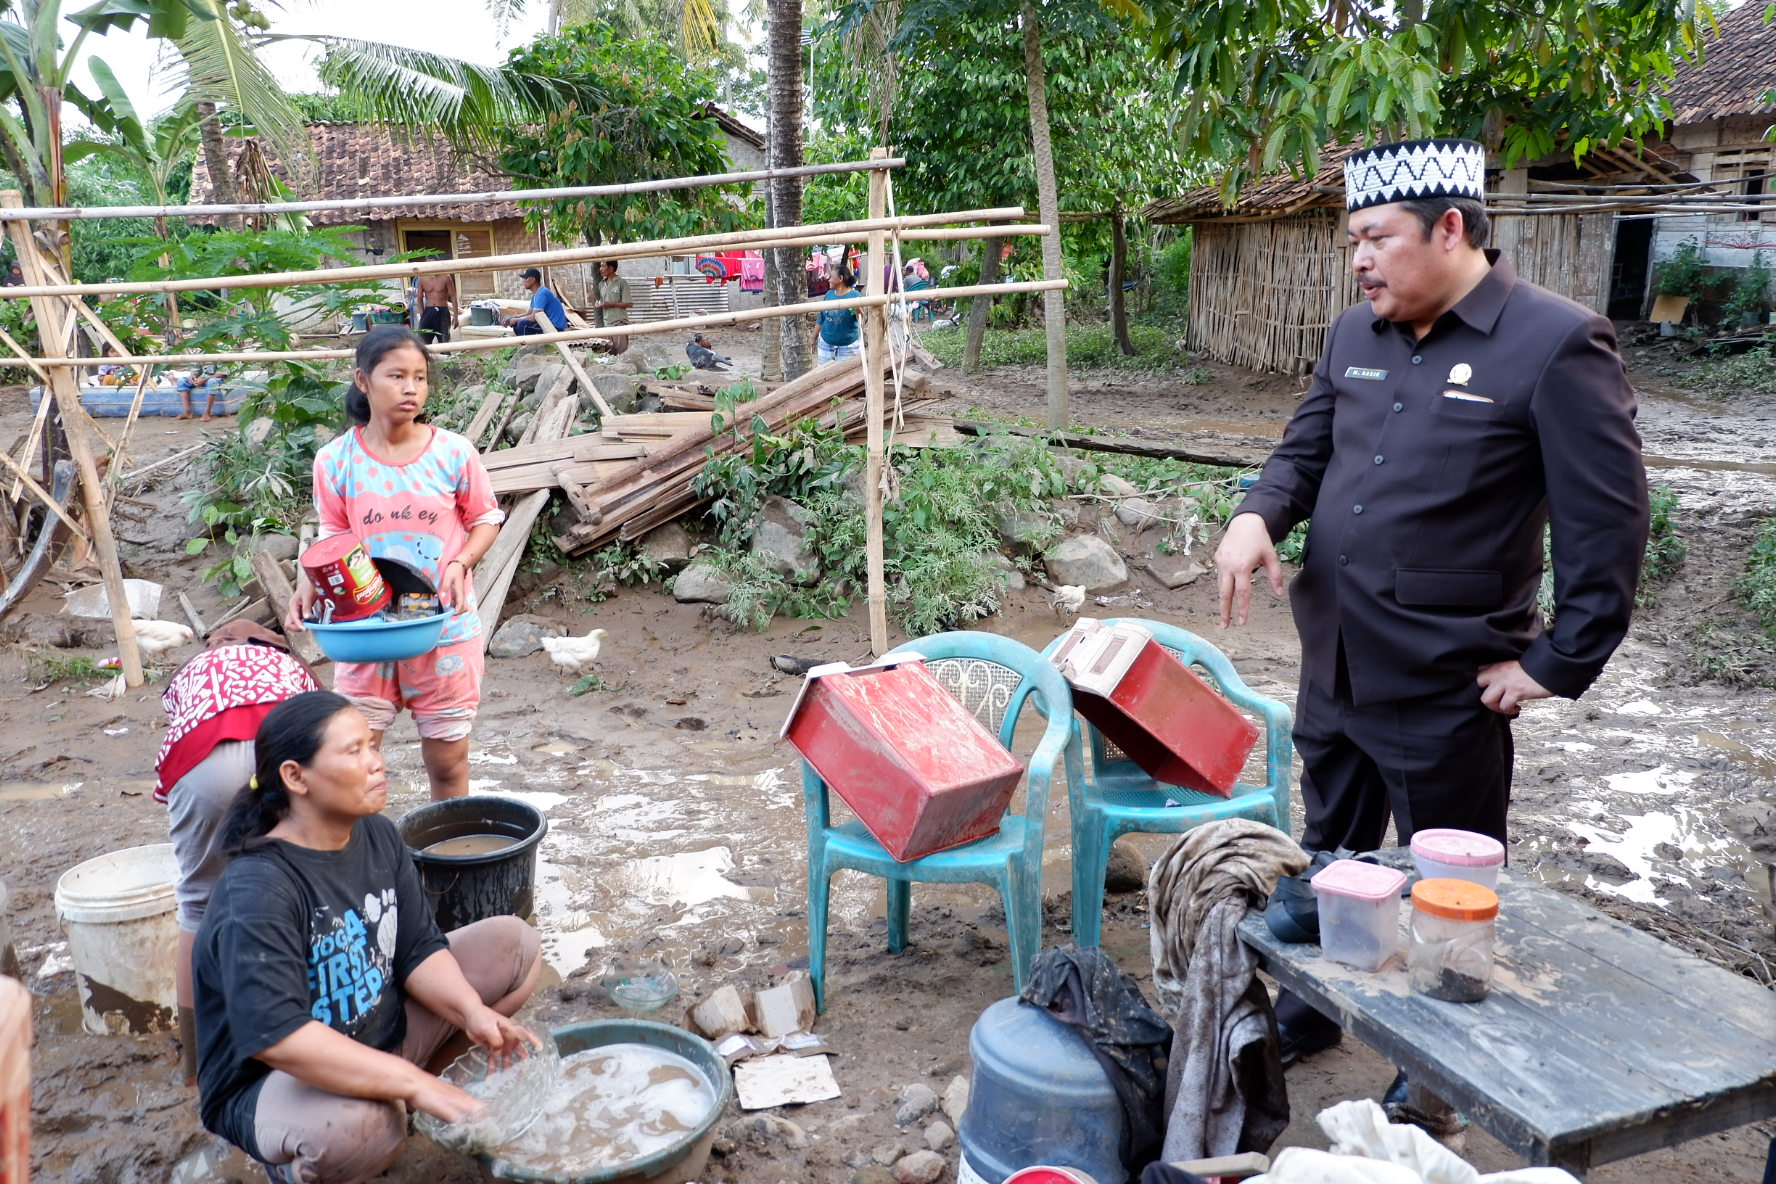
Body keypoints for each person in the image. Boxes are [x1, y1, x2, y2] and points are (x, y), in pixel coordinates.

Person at [1213, 138, 1648, 1073]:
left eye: (1377, 238)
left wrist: (1555, 663)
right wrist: (1257, 516)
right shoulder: (1353, 335)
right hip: (1335, 659)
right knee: (1331, 853)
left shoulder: (1554, 343)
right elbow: (1305, 450)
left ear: (1450, 229)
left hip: (1447, 682)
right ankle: (1317, 1008)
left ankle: (1438, 1068)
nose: (1360, 260)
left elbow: (1605, 526)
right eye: (1352, 243)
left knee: (1449, 881)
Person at [194, 691, 543, 1184]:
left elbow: (419, 948)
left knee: (515, 944)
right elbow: (281, 1038)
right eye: (354, 751)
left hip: (379, 1034)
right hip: (275, 1079)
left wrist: (472, 1012)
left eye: (372, 746)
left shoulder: (378, 835)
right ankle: (303, 1161)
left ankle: (410, 1104)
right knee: (363, 1131)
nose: (377, 764)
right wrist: (416, 1083)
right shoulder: (258, 888)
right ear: (296, 777)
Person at [284, 327, 504, 801]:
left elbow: (486, 518)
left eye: (420, 378)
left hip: (443, 630)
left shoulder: (452, 452)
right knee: (352, 762)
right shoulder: (335, 460)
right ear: (362, 381)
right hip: (366, 629)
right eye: (397, 376)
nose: (411, 389)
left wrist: (461, 563)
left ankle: (451, 865)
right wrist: (308, 581)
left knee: (447, 763)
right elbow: (333, 533)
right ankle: (360, 867)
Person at [157, 620, 320, 1084]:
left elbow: (180, 729)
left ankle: (196, 1065)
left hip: (203, 757)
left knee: (198, 904)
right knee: (301, 886)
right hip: (283, 755)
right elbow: (318, 724)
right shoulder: (293, 667)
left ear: (217, 644)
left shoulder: (194, 668)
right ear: (274, 647)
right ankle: (306, 1035)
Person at [816, 263, 863, 364]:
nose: (829, 279)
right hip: (826, 344)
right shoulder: (829, 295)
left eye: (832, 277)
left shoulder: (855, 296)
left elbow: (862, 320)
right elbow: (821, 318)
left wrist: (857, 310)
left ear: (840, 278)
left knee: (847, 376)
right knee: (824, 376)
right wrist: (813, 337)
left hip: (847, 347)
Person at [504, 267, 569, 337]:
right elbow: (529, 313)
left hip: (555, 328)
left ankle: (532, 346)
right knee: (517, 324)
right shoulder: (536, 294)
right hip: (548, 325)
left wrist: (516, 320)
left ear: (533, 280)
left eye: (526, 278)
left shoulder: (542, 293)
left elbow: (534, 317)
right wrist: (512, 318)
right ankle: (526, 345)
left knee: (523, 325)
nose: (523, 281)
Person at [592, 260, 633, 355]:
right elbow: (603, 302)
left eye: (603, 266)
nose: (600, 269)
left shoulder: (621, 283)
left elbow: (629, 304)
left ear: (611, 268)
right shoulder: (601, 284)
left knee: (622, 354)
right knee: (609, 354)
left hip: (619, 323)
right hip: (607, 323)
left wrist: (609, 304)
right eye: (600, 266)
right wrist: (599, 304)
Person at [415, 272, 458, 346]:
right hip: (428, 311)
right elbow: (419, 298)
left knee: (444, 342)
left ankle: (445, 357)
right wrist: (423, 315)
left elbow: (453, 296)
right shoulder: (422, 278)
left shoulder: (446, 277)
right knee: (423, 342)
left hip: (442, 312)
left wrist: (455, 316)